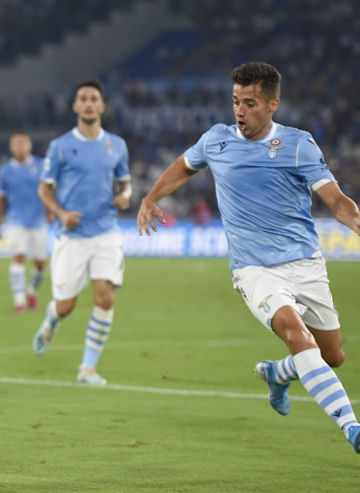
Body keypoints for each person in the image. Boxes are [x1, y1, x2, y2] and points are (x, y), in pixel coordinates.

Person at [136, 61, 360, 453]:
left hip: (305, 263)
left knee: (332, 355)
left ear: (273, 104)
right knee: (295, 333)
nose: (240, 110)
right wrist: (152, 197)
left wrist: (353, 218)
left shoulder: (298, 144)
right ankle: (352, 428)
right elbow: (183, 167)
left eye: (250, 102)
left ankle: (278, 373)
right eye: (235, 101)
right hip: (254, 268)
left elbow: (336, 201)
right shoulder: (216, 141)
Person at [32, 79, 132, 385]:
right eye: (83, 99)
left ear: (102, 106)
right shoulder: (61, 146)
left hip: (106, 233)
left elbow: (125, 182)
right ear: (76, 106)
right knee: (66, 305)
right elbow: (44, 189)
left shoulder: (116, 145)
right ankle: (52, 320)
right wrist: (61, 213)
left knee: (104, 297)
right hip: (71, 236)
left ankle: (87, 368)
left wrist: (126, 195)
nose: (88, 103)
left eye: (93, 99)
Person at [0, 132, 49, 312]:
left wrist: (52, 211)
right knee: (18, 258)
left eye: (23, 143)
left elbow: (49, 190)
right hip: (16, 220)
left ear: (29, 146)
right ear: (11, 147)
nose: (20, 146)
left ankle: (30, 290)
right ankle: (19, 302)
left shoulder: (41, 166)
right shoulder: (4, 171)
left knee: (40, 265)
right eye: (16, 144)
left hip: (38, 221)